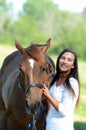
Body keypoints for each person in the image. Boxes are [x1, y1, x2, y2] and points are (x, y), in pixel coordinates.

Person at [42, 49, 80, 130]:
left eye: (69, 60)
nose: (65, 61)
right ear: (59, 60)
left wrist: (48, 95)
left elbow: (64, 111)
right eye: (63, 58)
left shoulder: (72, 83)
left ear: (73, 65)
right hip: (49, 126)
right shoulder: (54, 79)